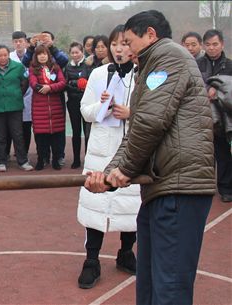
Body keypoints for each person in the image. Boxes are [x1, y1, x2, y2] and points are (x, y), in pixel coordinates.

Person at [85, 10, 215, 305]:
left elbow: (149, 123)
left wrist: (122, 170)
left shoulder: (167, 58)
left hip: (179, 188)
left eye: (130, 42)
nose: (126, 50)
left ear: (150, 35)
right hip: (161, 188)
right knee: (150, 281)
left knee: (169, 286)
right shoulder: (150, 67)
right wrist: (109, 175)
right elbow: (138, 129)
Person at [77, 25, 140, 289]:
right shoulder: (99, 73)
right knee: (96, 203)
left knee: (131, 205)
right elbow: (85, 111)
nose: (119, 49)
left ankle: (126, 252)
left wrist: (131, 112)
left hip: (134, 148)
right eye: (115, 44)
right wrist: (101, 107)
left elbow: (156, 112)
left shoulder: (145, 74)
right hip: (101, 149)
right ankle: (91, 260)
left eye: (125, 43)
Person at [0, 45, 33, 172]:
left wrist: (17, 93)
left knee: (18, 134)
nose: (3, 58)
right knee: (0, 135)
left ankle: (23, 161)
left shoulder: (18, 67)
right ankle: (1, 161)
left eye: (5, 55)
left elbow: (25, 82)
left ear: (8, 55)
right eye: (0, 55)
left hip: (15, 105)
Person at [197, 29, 232, 203]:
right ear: (204, 45)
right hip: (201, 115)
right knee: (204, 154)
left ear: (222, 44)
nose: (212, 48)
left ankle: (225, 188)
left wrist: (217, 90)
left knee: (223, 153)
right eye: (208, 45)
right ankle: (205, 187)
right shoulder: (197, 63)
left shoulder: (230, 65)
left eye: (215, 44)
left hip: (224, 116)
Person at [28, 45, 66, 170]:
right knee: (41, 137)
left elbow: (62, 82)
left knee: (56, 137)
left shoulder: (56, 67)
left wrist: (50, 88)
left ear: (48, 55)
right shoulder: (33, 69)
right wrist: (43, 88)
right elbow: (33, 83)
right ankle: (41, 159)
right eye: (39, 54)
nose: (42, 56)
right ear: (36, 56)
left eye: (44, 53)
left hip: (55, 108)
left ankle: (56, 160)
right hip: (40, 108)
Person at [64, 42, 90, 169]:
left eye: (77, 52)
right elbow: (65, 84)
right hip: (73, 103)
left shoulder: (88, 66)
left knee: (87, 132)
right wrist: (76, 85)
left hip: (86, 103)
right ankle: (76, 160)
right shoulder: (67, 67)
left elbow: (90, 84)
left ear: (82, 52)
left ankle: (88, 158)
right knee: (76, 132)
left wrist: (80, 85)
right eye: (72, 52)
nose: (75, 55)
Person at [10, 31, 33, 159]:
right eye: (16, 41)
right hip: (13, 96)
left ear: (25, 42)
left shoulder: (33, 56)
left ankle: (24, 153)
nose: (18, 44)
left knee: (26, 127)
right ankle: (17, 151)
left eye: (21, 41)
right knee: (14, 128)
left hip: (30, 96)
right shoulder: (8, 56)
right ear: (12, 43)